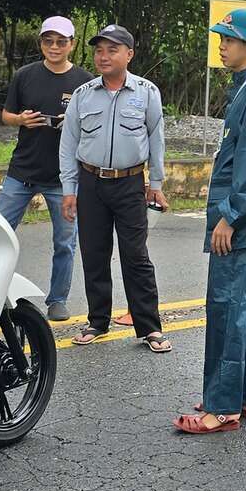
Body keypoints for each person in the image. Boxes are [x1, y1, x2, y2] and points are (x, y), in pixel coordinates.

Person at [174, 7, 246, 434]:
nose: (222, 46)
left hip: (242, 221)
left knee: (228, 309)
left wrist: (229, 218)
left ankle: (222, 407)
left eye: (229, 40)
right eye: (222, 38)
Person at [58, 24, 171, 353]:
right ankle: (97, 320)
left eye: (112, 50)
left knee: (136, 256)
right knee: (94, 253)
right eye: (99, 50)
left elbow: (156, 139)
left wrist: (157, 183)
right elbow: (69, 145)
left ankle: (149, 326)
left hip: (131, 183)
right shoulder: (82, 94)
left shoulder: (147, 92)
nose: (103, 56)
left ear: (129, 54)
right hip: (90, 182)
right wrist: (69, 189)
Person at [0, 16, 90, 322]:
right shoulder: (24, 75)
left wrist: (73, 125)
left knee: (65, 241)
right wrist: (21, 120)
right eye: (48, 41)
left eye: (61, 42)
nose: (54, 47)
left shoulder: (85, 82)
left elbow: (94, 124)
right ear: (41, 44)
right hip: (21, 171)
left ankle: (58, 299)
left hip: (63, 178)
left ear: (71, 45)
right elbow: (6, 115)